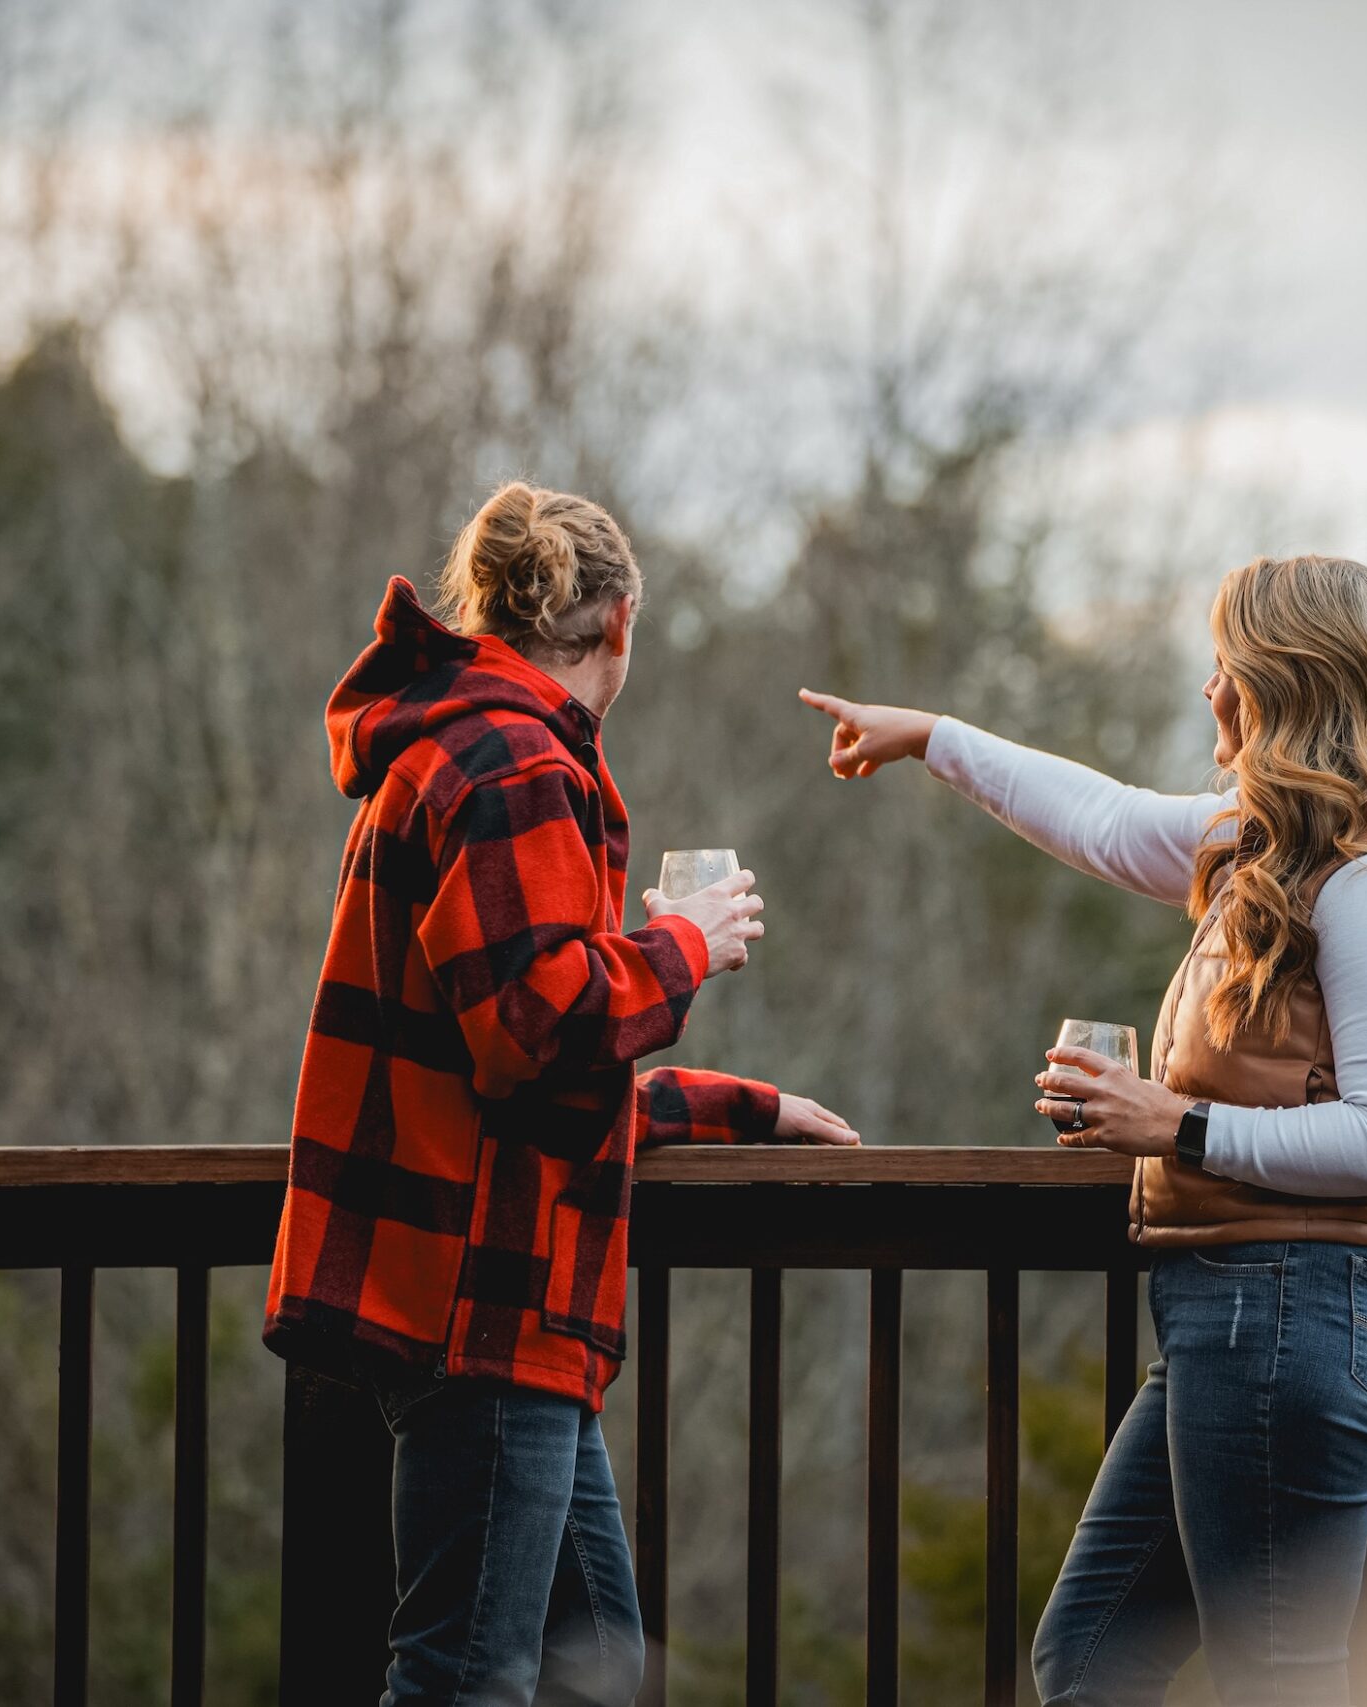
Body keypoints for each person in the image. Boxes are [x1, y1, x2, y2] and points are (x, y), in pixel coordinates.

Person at [800, 554, 1367, 1707]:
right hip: (1248, 1308)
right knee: (1091, 1657)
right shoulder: (1285, 844)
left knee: (1274, 1681)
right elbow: (1107, 818)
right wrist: (933, 736)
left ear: (1287, 685)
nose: (1208, 692)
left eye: (1226, 666)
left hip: (1301, 1305)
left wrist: (1173, 1124)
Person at [266, 481, 859, 1707]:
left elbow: (509, 1082)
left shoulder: (447, 744)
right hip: (484, 1300)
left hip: (493, 1292)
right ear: (620, 626)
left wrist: (739, 1109)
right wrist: (685, 946)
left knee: (597, 1677)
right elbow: (537, 1031)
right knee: (463, 1680)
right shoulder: (515, 761)